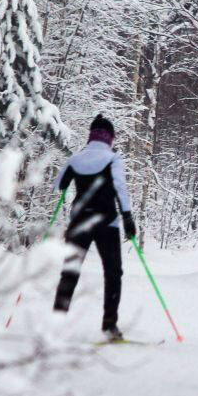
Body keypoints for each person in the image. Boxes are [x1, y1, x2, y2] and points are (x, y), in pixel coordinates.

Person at [52, 114, 137, 341]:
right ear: (109, 137)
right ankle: (109, 325)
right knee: (113, 273)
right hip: (107, 223)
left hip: (79, 222)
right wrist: (127, 217)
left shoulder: (76, 159)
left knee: (70, 271)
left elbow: (58, 185)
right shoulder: (113, 159)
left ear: (91, 136)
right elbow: (119, 186)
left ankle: (57, 324)